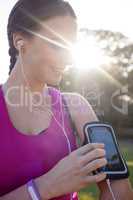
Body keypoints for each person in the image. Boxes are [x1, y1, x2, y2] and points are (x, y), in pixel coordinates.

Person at [0, 0, 133, 199]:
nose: (70, 60)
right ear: (20, 42)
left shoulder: (75, 106)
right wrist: (47, 186)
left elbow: (118, 189)